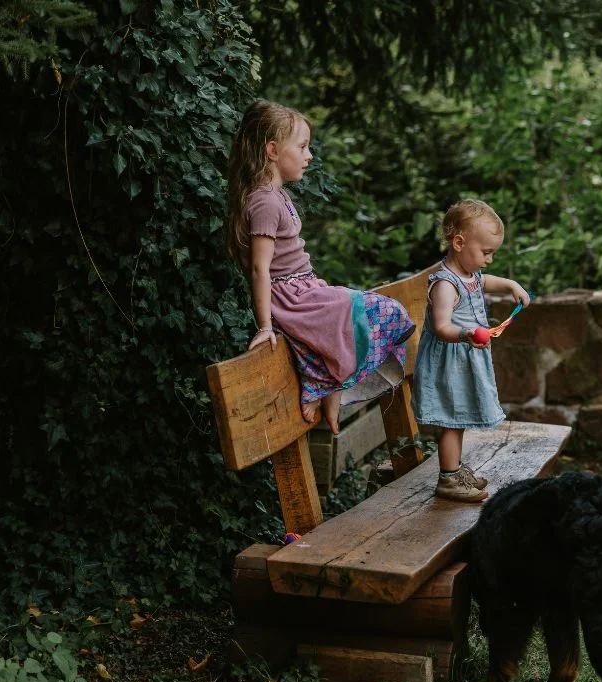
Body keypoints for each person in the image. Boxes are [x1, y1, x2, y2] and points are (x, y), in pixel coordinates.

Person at [224, 101, 414, 434]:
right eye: (301, 146)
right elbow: (260, 270)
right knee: (383, 311)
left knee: (376, 314)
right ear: (272, 150)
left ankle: (327, 389)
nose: (308, 155)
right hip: (292, 299)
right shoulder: (265, 201)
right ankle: (323, 387)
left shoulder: (276, 195)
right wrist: (266, 325)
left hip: (305, 287)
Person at [413, 199, 530, 502]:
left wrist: (510, 285)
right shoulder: (445, 285)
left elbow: (484, 282)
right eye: (486, 252)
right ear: (459, 242)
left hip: (464, 359)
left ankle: (454, 470)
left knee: (459, 417)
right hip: (449, 362)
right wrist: (467, 334)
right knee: (453, 420)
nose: (489, 260)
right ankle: (448, 480)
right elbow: (441, 326)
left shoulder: (469, 274)